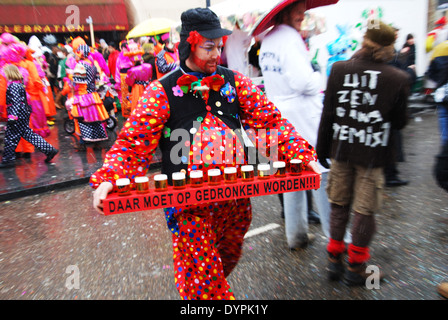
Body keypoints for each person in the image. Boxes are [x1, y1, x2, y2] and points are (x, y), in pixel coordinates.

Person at [91, 7, 321, 300]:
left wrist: (302, 155)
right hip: (188, 205)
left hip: (235, 202)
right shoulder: (160, 91)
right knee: (204, 283)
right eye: (208, 47)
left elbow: (270, 123)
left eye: (219, 47)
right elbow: (134, 141)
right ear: (189, 45)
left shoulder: (234, 82)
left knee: (223, 263)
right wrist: (110, 178)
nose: (216, 54)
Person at [316, 21, 410, 286]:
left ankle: (334, 262)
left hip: (341, 149)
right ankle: (356, 268)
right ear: (390, 47)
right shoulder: (397, 78)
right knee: (364, 210)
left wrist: (321, 148)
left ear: (363, 42)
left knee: (339, 204)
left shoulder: (338, 70)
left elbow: (328, 114)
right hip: (373, 154)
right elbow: (401, 122)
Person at [259, 0, 346, 249]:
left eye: (303, 10)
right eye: (299, 10)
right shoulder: (290, 39)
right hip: (303, 117)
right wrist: (318, 73)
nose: (302, 14)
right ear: (286, 12)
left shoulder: (269, 39)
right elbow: (303, 83)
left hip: (280, 116)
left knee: (292, 178)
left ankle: (295, 235)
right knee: (322, 173)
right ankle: (337, 240)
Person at [0, 64, 58, 168]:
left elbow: (16, 102)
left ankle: (8, 160)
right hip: (23, 113)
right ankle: (49, 150)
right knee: (29, 135)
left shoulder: (13, 86)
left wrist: (12, 116)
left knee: (11, 137)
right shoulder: (19, 84)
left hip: (17, 114)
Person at [69, 44, 110, 149]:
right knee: (95, 119)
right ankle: (97, 141)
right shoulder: (92, 65)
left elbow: (77, 82)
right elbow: (97, 80)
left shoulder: (80, 65)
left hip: (83, 96)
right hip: (93, 96)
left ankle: (82, 142)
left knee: (82, 119)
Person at [124, 40, 152, 114]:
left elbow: (129, 82)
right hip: (147, 86)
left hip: (137, 88)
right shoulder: (148, 66)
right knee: (148, 103)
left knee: (138, 105)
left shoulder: (132, 70)